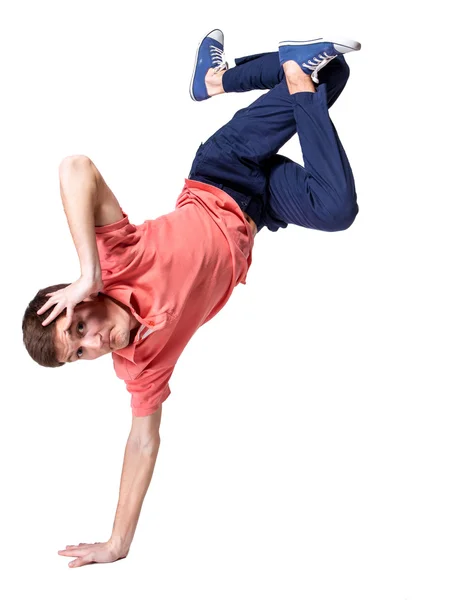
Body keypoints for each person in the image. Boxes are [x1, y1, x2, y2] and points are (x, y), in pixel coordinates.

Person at [22, 31, 361, 568]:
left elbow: (75, 167)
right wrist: (117, 544)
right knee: (336, 203)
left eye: (78, 329)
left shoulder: (116, 261)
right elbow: (142, 444)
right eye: (79, 354)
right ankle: (219, 79)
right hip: (260, 206)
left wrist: (87, 272)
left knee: (327, 72)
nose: (94, 344)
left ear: (74, 300)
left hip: (223, 168)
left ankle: (216, 80)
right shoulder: (140, 365)